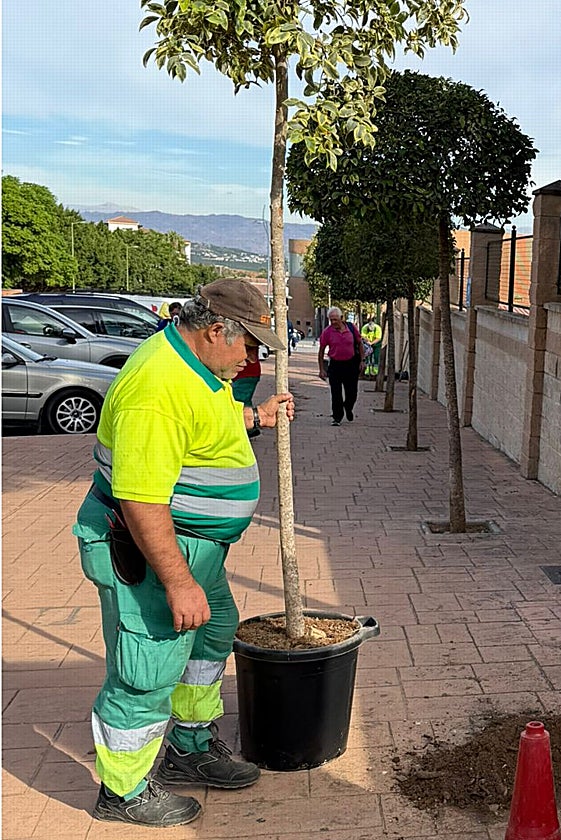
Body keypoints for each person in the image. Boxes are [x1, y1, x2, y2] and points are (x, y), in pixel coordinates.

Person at [73, 279, 294, 828]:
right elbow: (141, 499)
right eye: (249, 345)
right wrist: (177, 582)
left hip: (196, 551)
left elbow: (199, 427)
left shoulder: (197, 365)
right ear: (217, 330)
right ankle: (123, 791)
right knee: (146, 669)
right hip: (151, 551)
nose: (251, 358)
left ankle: (189, 747)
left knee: (215, 632)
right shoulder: (157, 386)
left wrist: (254, 417)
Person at [318, 307, 364, 426]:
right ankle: (337, 417)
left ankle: (348, 408)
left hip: (351, 364)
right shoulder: (327, 332)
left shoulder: (351, 328)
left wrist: (362, 361)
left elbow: (359, 344)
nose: (333, 322)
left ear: (341, 318)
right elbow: (321, 350)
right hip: (335, 365)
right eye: (331, 320)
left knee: (352, 393)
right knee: (336, 393)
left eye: (335, 320)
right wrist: (321, 369)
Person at [230, 337, 262, 409]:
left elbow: (252, 358)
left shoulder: (248, 341)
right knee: (243, 402)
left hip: (247, 374)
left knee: (239, 402)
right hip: (247, 374)